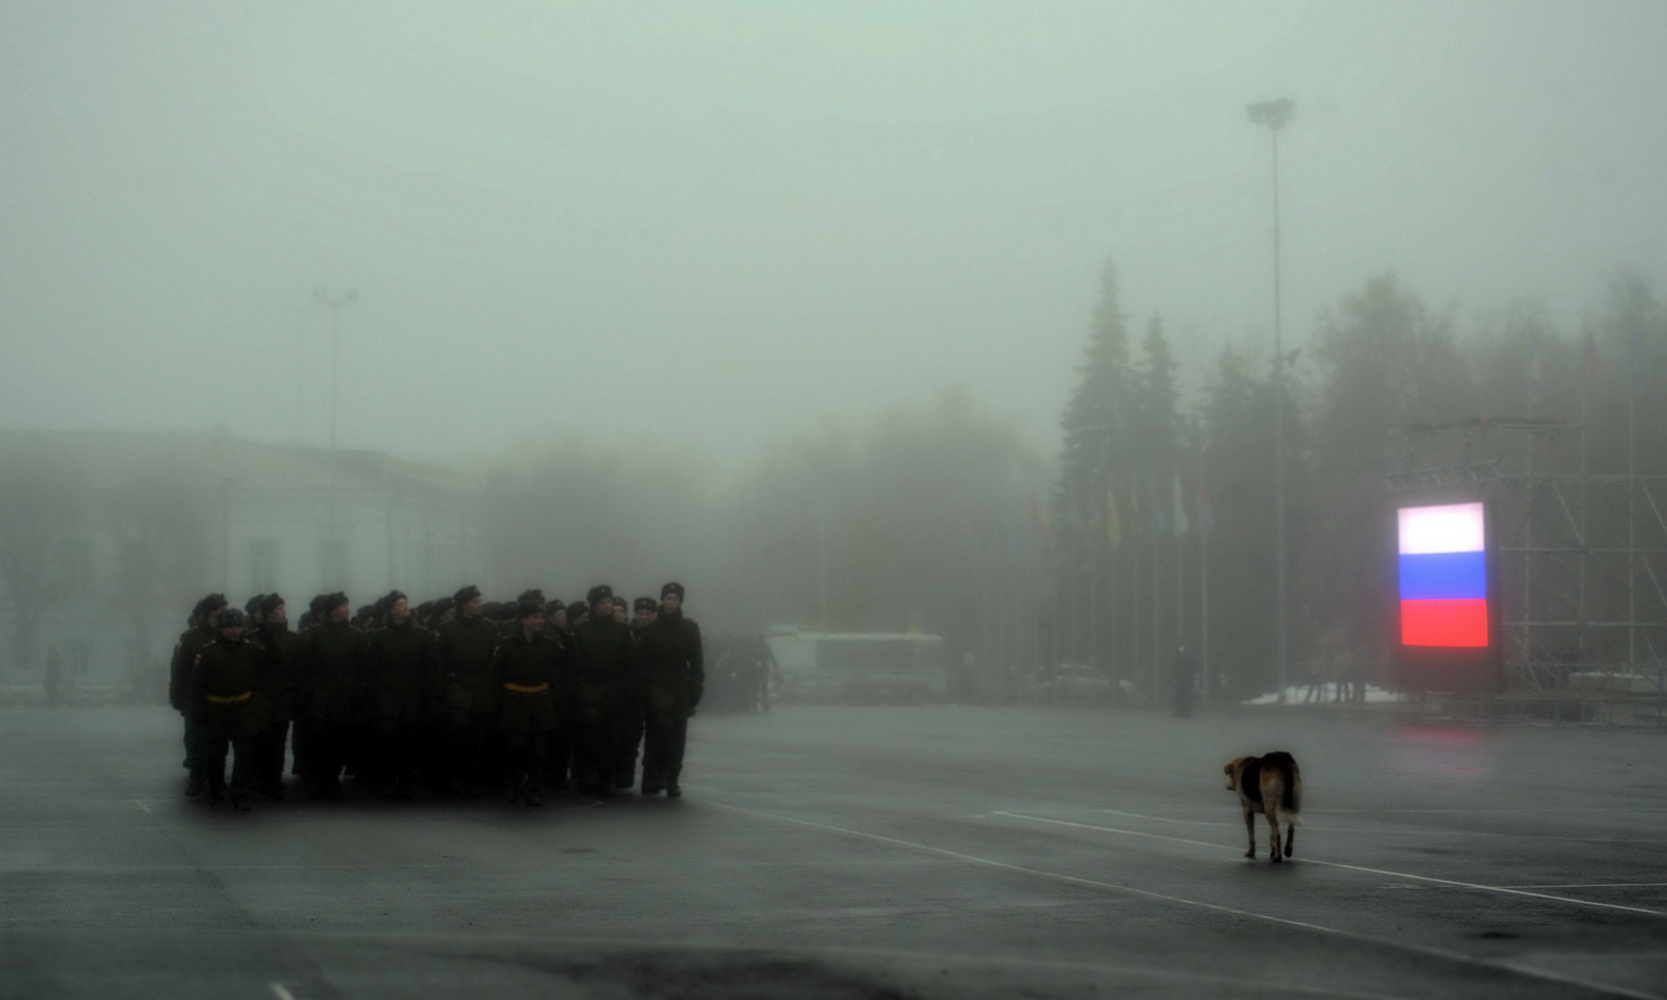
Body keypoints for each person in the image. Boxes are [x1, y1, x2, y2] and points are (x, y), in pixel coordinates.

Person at [187, 608, 264, 810]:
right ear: (220, 629)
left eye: (238, 626)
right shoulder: (208, 652)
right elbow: (196, 686)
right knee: (215, 755)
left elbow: (266, 674)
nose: (234, 631)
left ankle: (240, 794)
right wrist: (196, 714)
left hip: (243, 708)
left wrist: (257, 709)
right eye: (229, 627)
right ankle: (215, 790)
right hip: (215, 709)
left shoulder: (252, 650)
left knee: (244, 755)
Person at [366, 591, 437, 799]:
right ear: (390, 609)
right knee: (388, 739)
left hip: (413, 696)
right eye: (399, 604)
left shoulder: (422, 635)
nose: (404, 607)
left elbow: (429, 670)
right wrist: (372, 699)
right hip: (387, 697)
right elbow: (373, 670)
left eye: (405, 603)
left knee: (410, 740)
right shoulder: (379, 637)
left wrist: (428, 698)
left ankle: (405, 780)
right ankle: (388, 778)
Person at [569, 584, 637, 797]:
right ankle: (587, 775)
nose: (607, 606)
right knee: (590, 734)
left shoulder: (623, 631)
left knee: (611, 737)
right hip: (589, 688)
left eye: (609, 602)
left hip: (615, 688)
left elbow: (630, 663)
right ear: (593, 606)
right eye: (602, 603)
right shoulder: (581, 631)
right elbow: (575, 665)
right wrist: (579, 691)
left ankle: (606, 778)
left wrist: (628, 691)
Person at [296, 592, 365, 799]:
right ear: (334, 610)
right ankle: (318, 780)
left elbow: (362, 669)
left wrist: (358, 696)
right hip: (320, 698)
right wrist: (307, 696)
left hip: (345, 698)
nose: (347, 609)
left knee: (339, 740)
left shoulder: (356, 636)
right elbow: (305, 668)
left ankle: (332, 779)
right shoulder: (314, 635)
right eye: (344, 606)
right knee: (319, 741)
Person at [637, 582, 703, 797]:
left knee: (677, 737)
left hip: (681, 688)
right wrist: (645, 691)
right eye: (668, 598)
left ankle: (672, 779)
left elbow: (696, 662)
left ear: (680, 602)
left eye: (675, 599)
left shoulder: (690, 629)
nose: (671, 603)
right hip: (656, 686)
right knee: (657, 734)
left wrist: (696, 689)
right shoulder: (651, 629)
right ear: (662, 600)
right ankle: (652, 778)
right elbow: (642, 663)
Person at [436, 584, 500, 797]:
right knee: (459, 729)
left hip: (482, 684)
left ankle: (476, 776)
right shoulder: (448, 630)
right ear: (463, 605)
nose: (479, 605)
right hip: (458, 684)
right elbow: (441, 663)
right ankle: (457, 776)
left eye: (480, 601)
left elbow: (494, 659)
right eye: (475, 602)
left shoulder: (490, 629)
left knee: (480, 732)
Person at [493, 601, 559, 807]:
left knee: (538, 750)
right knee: (516, 747)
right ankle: (513, 785)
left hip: (540, 701)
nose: (540, 621)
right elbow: (496, 675)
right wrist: (498, 705)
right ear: (523, 619)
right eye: (535, 617)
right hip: (515, 702)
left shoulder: (549, 643)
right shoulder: (507, 643)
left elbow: (562, 668)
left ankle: (534, 789)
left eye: (542, 617)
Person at [170, 594, 227, 797]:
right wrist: (177, 698)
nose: (222, 615)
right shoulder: (192, 639)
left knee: (217, 743)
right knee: (195, 739)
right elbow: (180, 671)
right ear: (207, 614)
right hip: (195, 698)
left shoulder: (228, 634)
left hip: (221, 698)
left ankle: (215, 780)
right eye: (218, 612)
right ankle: (196, 777)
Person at [250, 593, 301, 800]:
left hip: (283, 698)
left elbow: (299, 670)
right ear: (268, 613)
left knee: (278, 742)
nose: (281, 612)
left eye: (282, 608)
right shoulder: (253, 638)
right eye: (277, 609)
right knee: (260, 741)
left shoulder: (293, 640)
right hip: (260, 699)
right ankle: (259, 778)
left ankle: (274, 779)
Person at [1173, 643, 1197, 719]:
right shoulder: (1190, 655)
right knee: (1184, 694)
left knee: (1183, 694)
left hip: (1184, 677)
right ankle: (1184, 710)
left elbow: (1179, 665)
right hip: (1186, 677)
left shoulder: (1184, 656)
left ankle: (1183, 710)